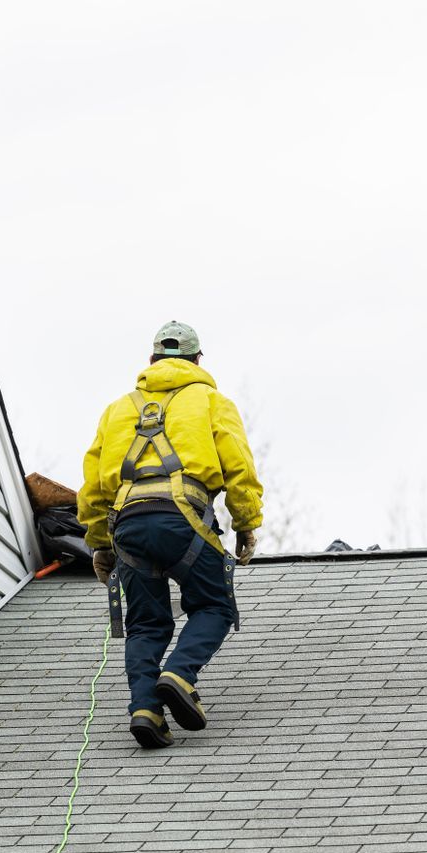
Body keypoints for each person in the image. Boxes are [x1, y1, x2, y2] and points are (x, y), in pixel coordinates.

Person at [77, 321, 263, 749]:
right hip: (186, 521)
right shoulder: (213, 402)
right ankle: (179, 675)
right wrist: (246, 521)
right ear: (198, 361)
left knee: (145, 624)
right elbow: (239, 466)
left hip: (128, 524)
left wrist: (100, 544)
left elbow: (92, 487)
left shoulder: (118, 409)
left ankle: (145, 709)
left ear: (151, 362)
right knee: (214, 605)